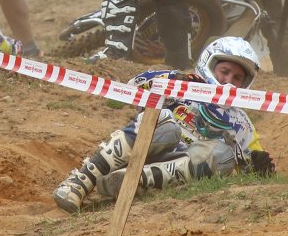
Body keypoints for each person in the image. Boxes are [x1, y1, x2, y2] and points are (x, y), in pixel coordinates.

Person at [53, 37, 276, 213]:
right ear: (209, 65)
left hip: (177, 168)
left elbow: (251, 169)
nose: (229, 80)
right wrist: (172, 81)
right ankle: (81, 181)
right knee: (165, 123)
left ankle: (132, 180)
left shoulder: (241, 122)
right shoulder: (181, 83)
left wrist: (263, 170)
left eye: (237, 77)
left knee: (223, 155)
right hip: (146, 145)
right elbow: (126, 92)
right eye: (224, 72)